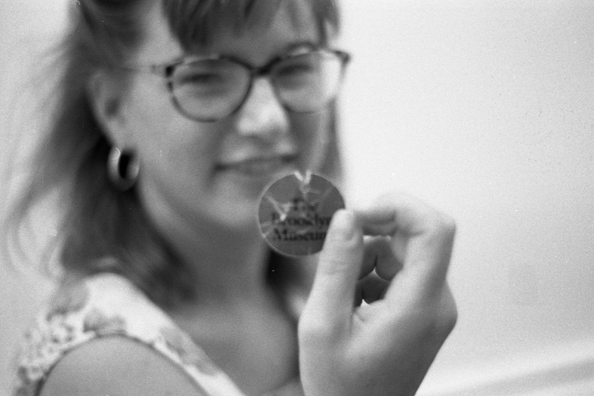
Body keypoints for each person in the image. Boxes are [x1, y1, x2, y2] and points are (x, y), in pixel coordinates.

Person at [6, 0, 457, 395]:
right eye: (205, 76)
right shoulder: (101, 363)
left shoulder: (307, 290)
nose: (268, 121)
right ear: (113, 109)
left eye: (295, 65)